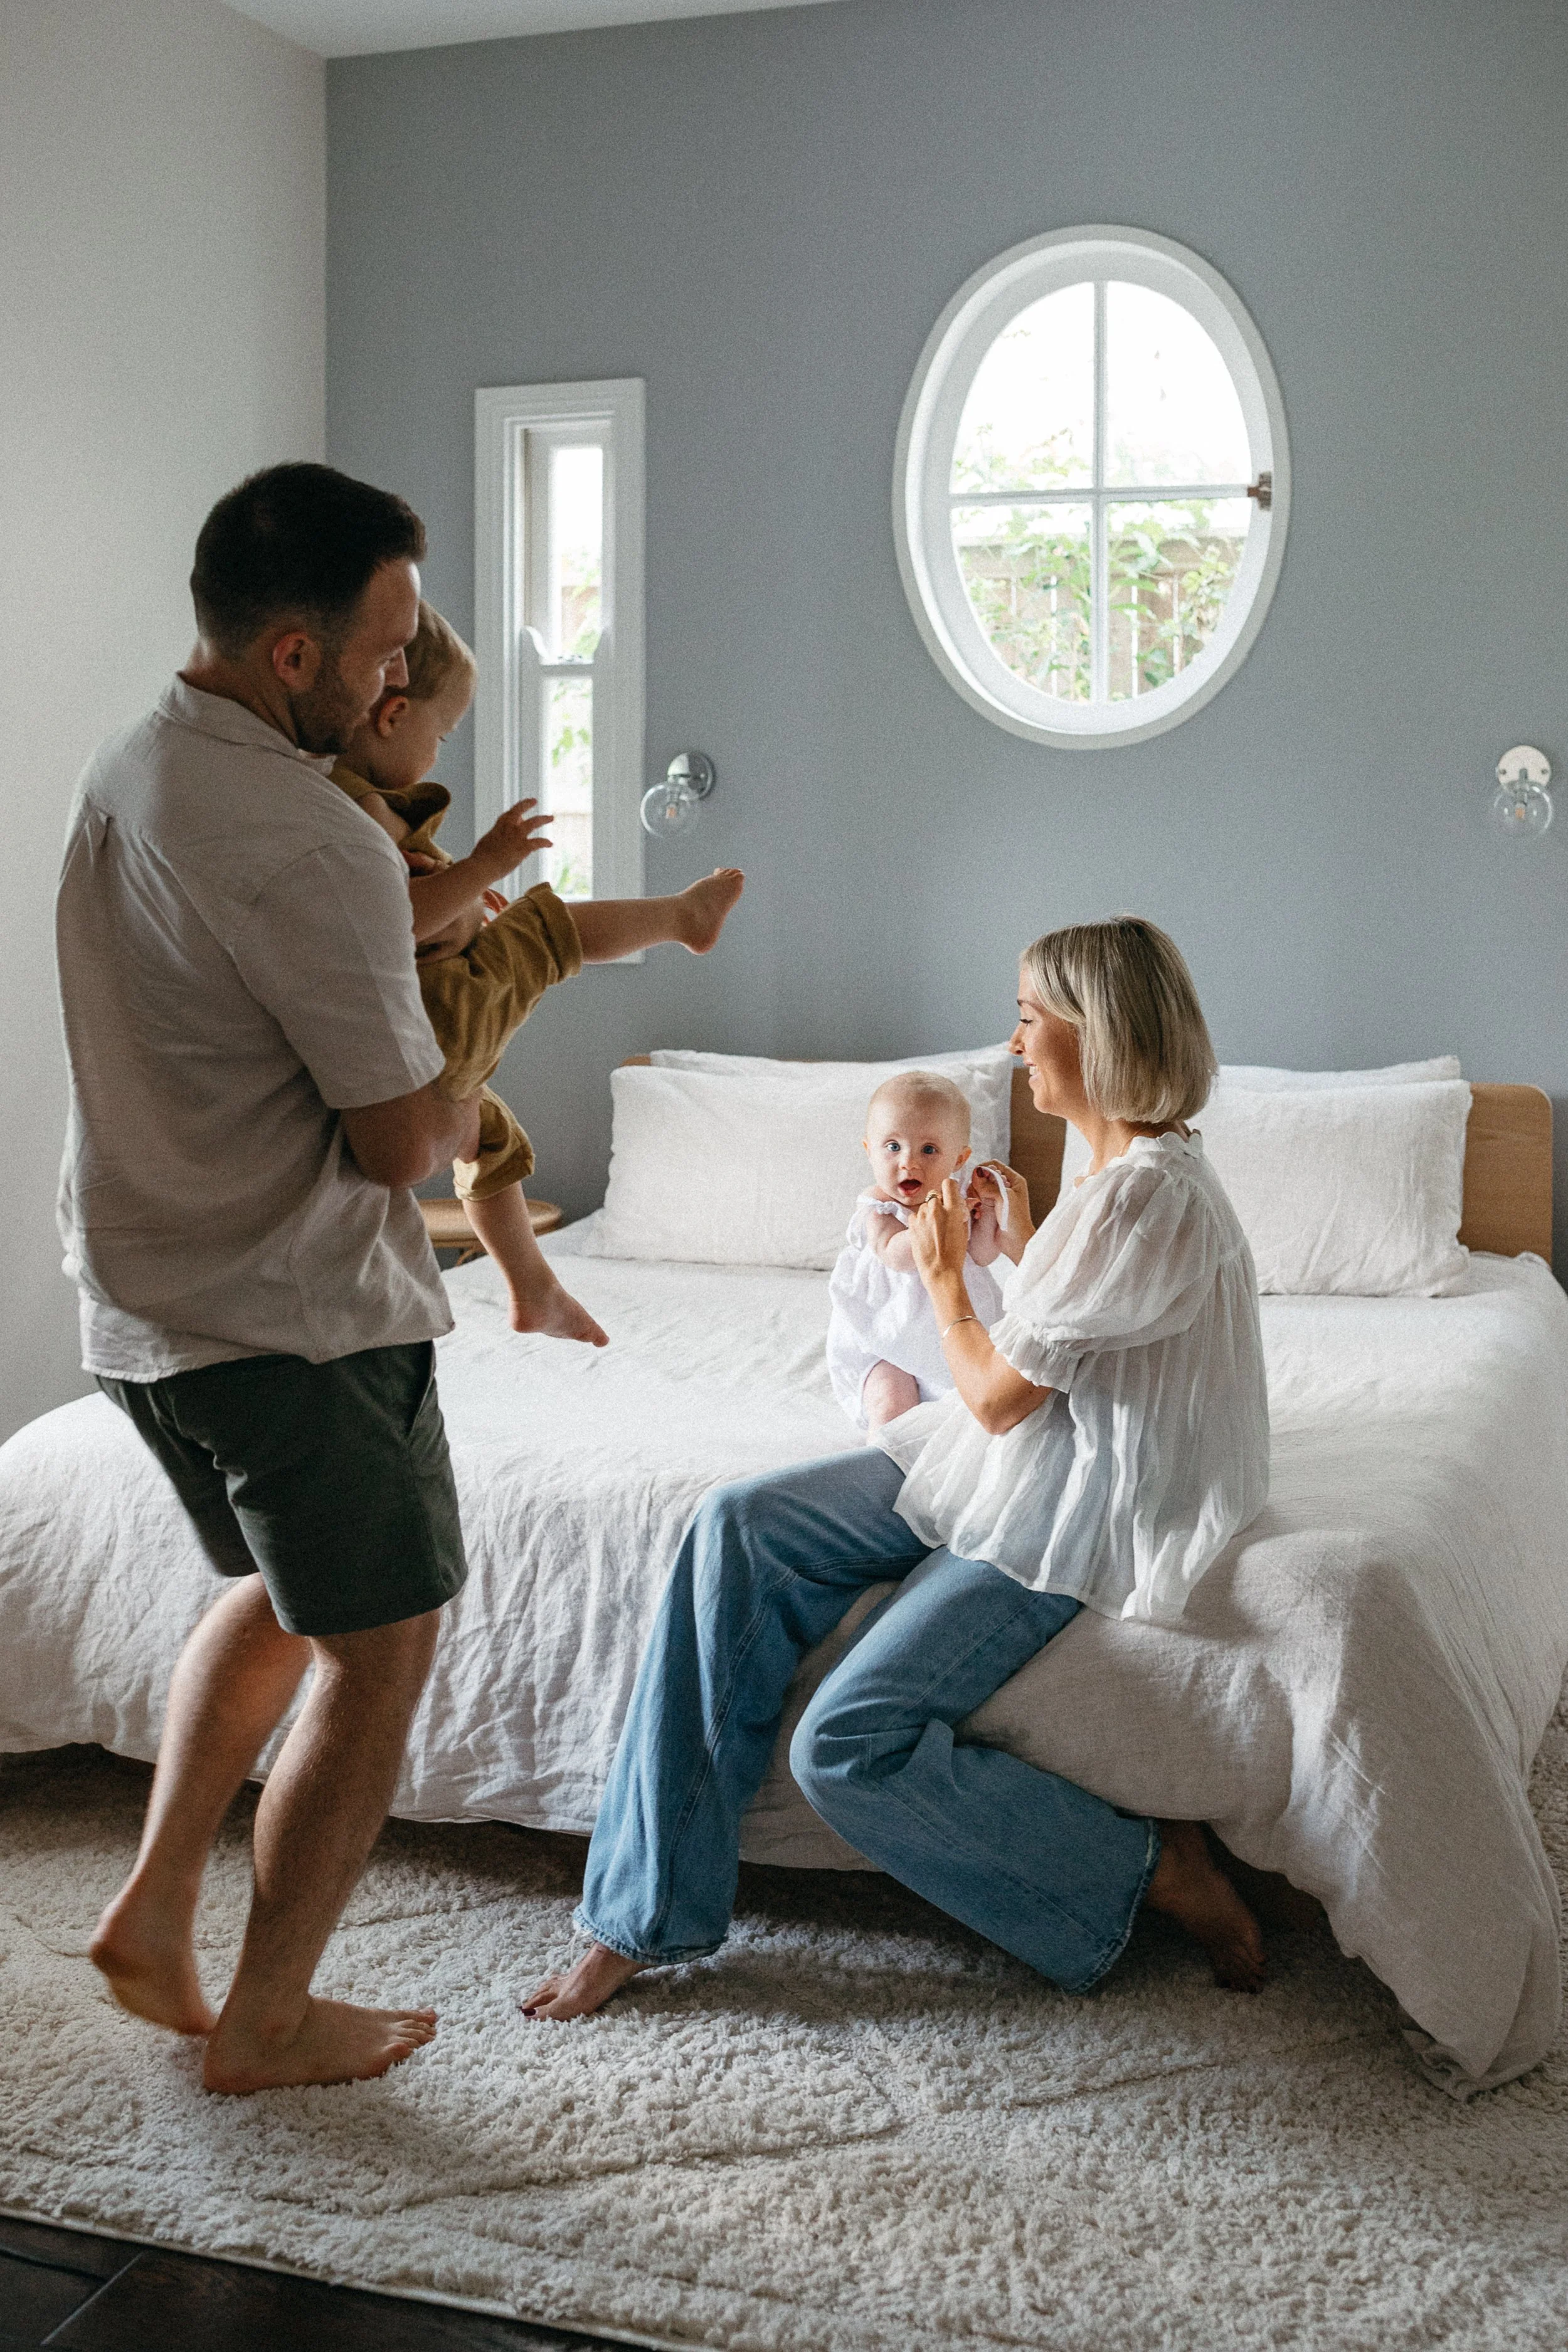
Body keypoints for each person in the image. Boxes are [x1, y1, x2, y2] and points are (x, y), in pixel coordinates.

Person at [523, 916, 1271, 2024]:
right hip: (1010, 1455)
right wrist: (1019, 1248)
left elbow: (1001, 1390)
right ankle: (641, 1913)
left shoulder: (1151, 1189)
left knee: (845, 1746)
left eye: (1029, 1018)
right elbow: (1084, 1332)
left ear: (1096, 1032)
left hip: (1084, 1497)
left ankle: (1152, 1866)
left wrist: (946, 1284)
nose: (1015, 1045)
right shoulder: (1110, 1159)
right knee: (736, 1524)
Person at [58, 462, 482, 2094]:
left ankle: (159, 1905)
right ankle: (270, 2013)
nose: (402, 673)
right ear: (293, 655)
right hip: (295, 1324)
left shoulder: (133, 764)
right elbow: (397, 1150)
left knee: (275, 1592)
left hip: (145, 1309)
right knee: (377, 1641)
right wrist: (462, 1070)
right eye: (385, 646)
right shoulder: (315, 842)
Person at [329, 600, 744, 1343]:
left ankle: (532, 1287)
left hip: (416, 1034)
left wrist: (464, 897)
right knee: (549, 933)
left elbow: (409, 907)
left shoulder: (357, 804)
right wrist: (485, 866)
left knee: (492, 1138)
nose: (437, 753)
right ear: (390, 716)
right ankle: (681, 918)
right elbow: (394, 922)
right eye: (442, 733)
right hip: (434, 1016)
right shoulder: (357, 808)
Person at [825, 1070, 1005, 1431]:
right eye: (893, 1147)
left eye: (929, 1149)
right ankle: (886, 1462)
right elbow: (894, 1253)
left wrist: (987, 1217)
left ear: (958, 1159)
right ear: (869, 1150)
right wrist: (940, 1226)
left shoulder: (955, 1202)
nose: (909, 1162)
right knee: (892, 1406)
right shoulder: (877, 1205)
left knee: (966, 1414)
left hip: (951, 1336)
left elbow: (982, 1256)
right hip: (886, 1335)